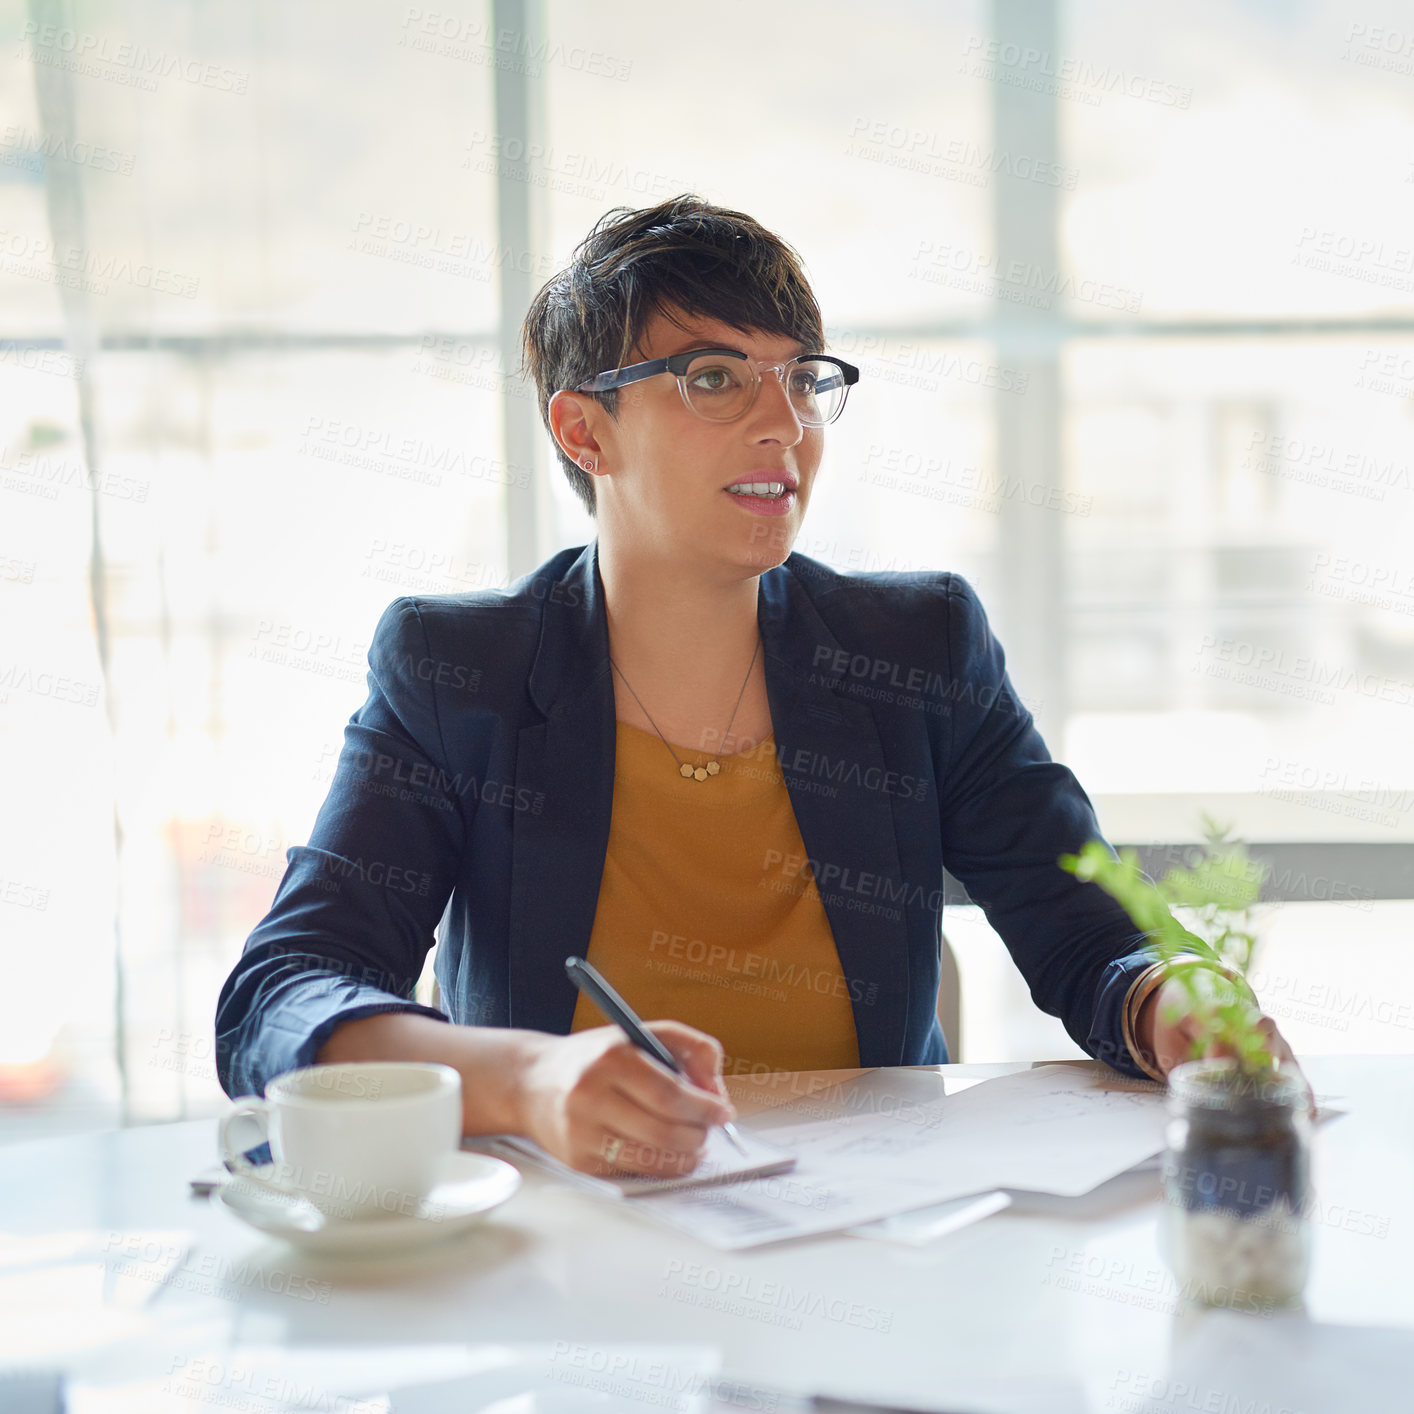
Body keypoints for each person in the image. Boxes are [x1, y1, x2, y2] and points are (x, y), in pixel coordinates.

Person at [215, 194, 1302, 1179]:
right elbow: (285, 991)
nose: (781, 422)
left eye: (801, 378)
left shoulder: (915, 649)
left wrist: (1171, 995)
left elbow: (1089, 926)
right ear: (584, 429)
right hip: (575, 1243)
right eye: (713, 378)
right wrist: (529, 1083)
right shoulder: (461, 674)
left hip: (871, 1236)